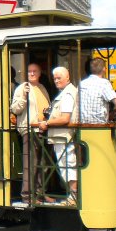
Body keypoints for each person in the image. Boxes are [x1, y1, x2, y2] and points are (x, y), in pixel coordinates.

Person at [37, 67, 79, 206]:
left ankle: (74, 197)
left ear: (67, 77)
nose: (56, 81)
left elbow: (65, 118)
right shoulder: (68, 91)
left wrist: (46, 123)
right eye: (54, 78)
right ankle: (73, 196)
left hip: (64, 136)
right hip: (63, 136)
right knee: (67, 165)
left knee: (67, 165)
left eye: (59, 78)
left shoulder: (67, 94)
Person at [10, 63, 50, 202]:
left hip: (42, 129)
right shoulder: (22, 88)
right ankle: (27, 195)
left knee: (42, 163)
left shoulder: (42, 88)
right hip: (29, 129)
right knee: (31, 163)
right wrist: (24, 97)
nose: (32, 74)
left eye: (35, 71)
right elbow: (15, 109)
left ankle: (40, 192)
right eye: (29, 71)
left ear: (40, 73)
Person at [78, 57, 116, 124]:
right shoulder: (104, 83)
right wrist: (111, 115)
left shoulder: (81, 84)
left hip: (82, 126)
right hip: (99, 126)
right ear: (104, 69)